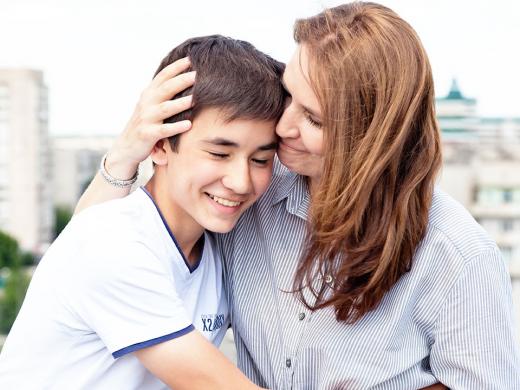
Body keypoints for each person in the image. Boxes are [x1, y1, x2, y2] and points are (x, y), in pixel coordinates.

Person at [76, 2, 520, 389]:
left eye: (313, 118)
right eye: (288, 94)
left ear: (373, 136)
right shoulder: (250, 192)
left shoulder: (455, 254)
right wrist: (124, 154)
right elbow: (90, 256)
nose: (284, 127)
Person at [0, 35, 286, 389]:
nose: (241, 182)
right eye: (219, 154)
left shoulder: (217, 245)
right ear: (160, 145)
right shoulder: (113, 243)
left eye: (260, 159)